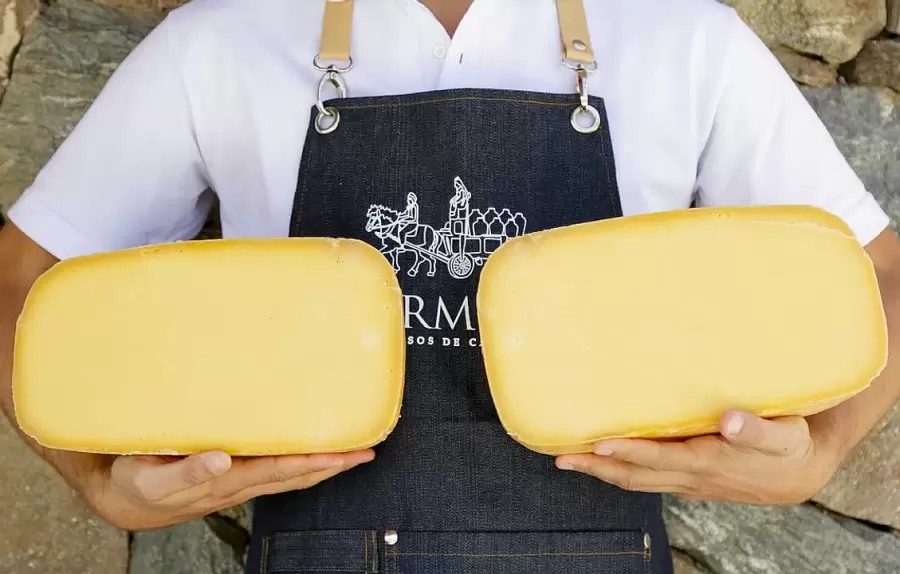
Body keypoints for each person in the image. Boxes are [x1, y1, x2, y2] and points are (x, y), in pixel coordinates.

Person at [1, 0, 899, 572]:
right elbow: (22, 282)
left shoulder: (682, 35)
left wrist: (819, 454)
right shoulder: (223, 38)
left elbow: (882, 277)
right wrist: (97, 483)